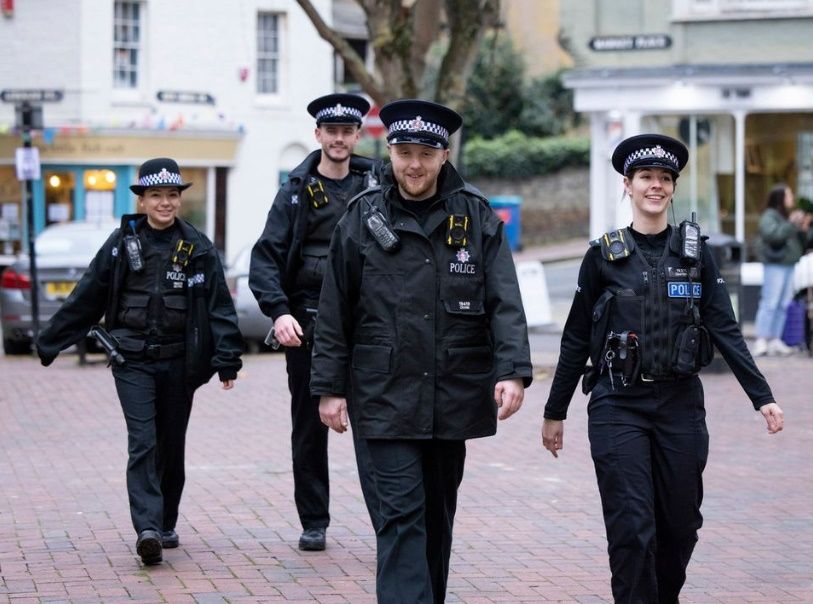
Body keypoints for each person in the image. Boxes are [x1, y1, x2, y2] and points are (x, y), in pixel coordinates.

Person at [540, 133, 785, 603]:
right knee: (633, 526)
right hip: (618, 405)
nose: (656, 185)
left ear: (673, 188)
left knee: (680, 526)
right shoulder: (602, 255)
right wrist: (556, 411)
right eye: (646, 177)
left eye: (665, 178)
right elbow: (575, 339)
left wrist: (763, 396)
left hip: (679, 406)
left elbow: (725, 328)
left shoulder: (694, 254)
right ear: (627, 186)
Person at [310, 98, 533, 603]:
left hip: (451, 395)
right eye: (404, 152)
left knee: (436, 518)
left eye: (425, 154)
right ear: (389, 152)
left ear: (444, 155)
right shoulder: (362, 217)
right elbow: (334, 309)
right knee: (401, 517)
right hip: (381, 395)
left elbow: (504, 299)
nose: (414, 164)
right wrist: (328, 388)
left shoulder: (475, 216)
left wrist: (513, 370)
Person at [36, 157, 243, 566]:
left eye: (171, 195)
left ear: (179, 200)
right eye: (156, 196)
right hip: (131, 360)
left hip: (181, 363)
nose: (164, 203)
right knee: (143, 441)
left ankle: (165, 521)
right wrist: (50, 341)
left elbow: (218, 306)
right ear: (143, 200)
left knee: (171, 444)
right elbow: (87, 294)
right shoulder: (120, 244)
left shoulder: (197, 247)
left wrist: (227, 359)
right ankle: (147, 528)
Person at [249, 93, 382, 551]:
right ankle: (314, 521)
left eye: (348, 132)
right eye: (332, 131)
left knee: (377, 425)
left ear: (357, 136)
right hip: (306, 322)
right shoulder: (295, 191)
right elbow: (265, 258)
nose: (340, 139)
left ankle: (390, 523)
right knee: (309, 428)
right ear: (319, 135)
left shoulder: (378, 186)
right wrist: (279, 311)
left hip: (368, 324)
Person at [752, 183, 812, 356]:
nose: (792, 198)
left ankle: (775, 339)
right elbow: (774, 236)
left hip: (789, 265)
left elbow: (799, 240)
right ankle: (761, 340)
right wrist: (792, 223)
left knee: (783, 304)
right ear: (780, 198)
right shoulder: (770, 216)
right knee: (770, 302)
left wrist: (802, 227)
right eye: (789, 195)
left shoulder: (785, 217)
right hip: (775, 265)